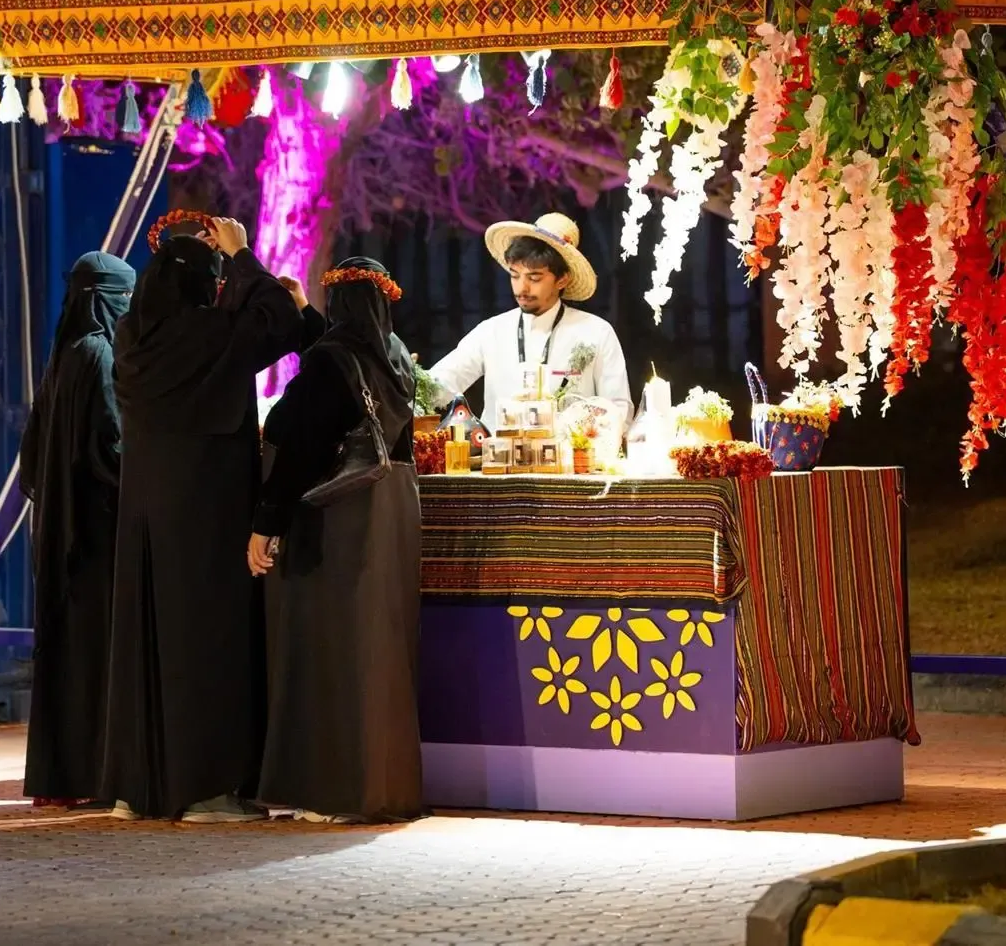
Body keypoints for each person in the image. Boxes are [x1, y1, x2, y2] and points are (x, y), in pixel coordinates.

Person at [103, 217, 305, 823]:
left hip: (144, 512)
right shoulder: (204, 336)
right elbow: (281, 320)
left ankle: (136, 787)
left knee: (147, 641)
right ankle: (205, 790)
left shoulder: (130, 339)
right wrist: (243, 256)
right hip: (205, 510)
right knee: (205, 641)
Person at [248, 258, 424, 825]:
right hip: (390, 516)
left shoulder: (330, 364)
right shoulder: (393, 357)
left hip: (336, 521)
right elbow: (346, 358)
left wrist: (265, 522)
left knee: (329, 653)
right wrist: (302, 312)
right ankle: (380, 786)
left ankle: (332, 791)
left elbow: (293, 440)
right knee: (378, 652)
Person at [17, 251, 135, 809]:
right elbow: (112, 446)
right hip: (95, 534)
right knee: (95, 654)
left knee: (64, 654)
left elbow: (33, 457)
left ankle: (58, 778)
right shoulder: (100, 354)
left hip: (60, 534)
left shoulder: (62, 356)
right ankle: (92, 775)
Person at [427, 212, 633, 431]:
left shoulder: (596, 332)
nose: (521, 288)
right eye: (515, 275)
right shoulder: (492, 331)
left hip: (572, 462)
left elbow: (618, 409)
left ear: (562, 279)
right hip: (498, 459)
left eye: (534, 278)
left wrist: (587, 431)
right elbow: (441, 382)